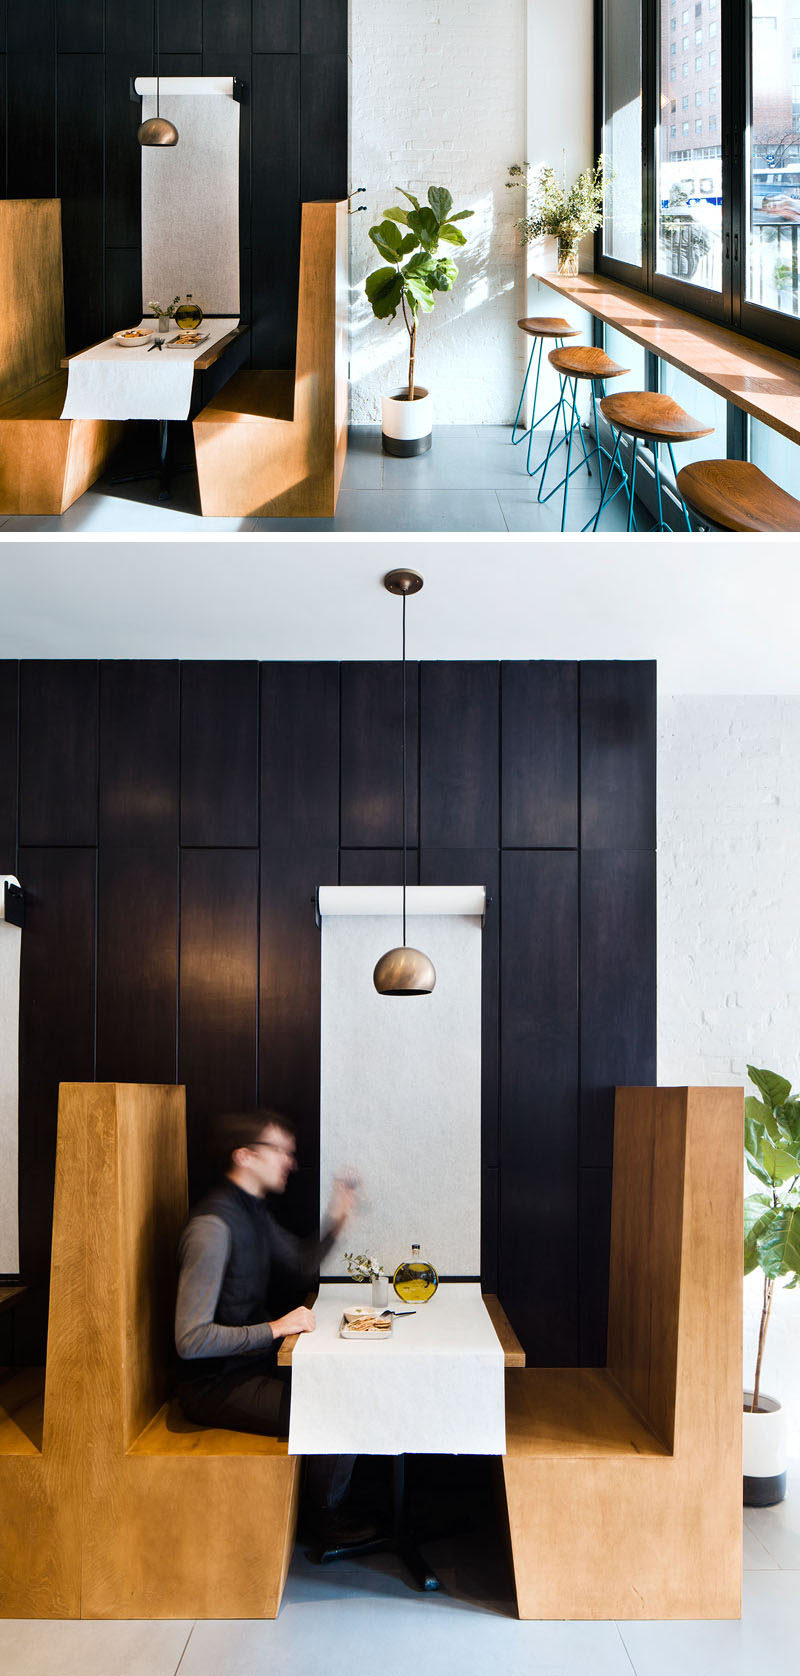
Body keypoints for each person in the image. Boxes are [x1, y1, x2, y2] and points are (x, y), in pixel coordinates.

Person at [174, 1107, 373, 1546]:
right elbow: (190, 1340)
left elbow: (301, 1263)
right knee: (340, 1408)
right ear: (245, 1156)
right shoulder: (212, 1227)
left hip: (251, 1366)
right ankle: (321, 1524)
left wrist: (338, 1216)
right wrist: (276, 1327)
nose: (290, 1161)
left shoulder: (253, 1211)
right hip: (215, 1385)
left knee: (348, 1383)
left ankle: (328, 1508)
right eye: (280, 1150)